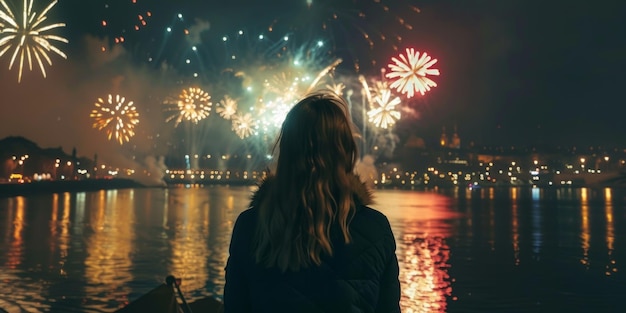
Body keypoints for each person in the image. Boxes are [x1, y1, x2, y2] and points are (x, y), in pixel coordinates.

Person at [223, 90, 401, 313]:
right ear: (346, 152)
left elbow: (235, 308)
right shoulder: (375, 228)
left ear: (286, 150)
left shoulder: (250, 226)